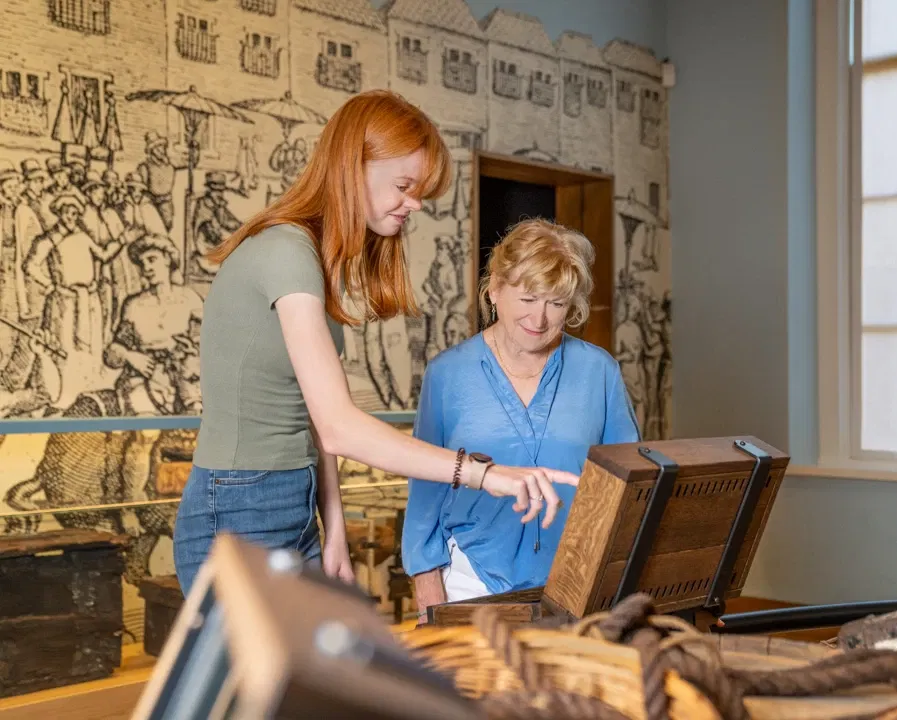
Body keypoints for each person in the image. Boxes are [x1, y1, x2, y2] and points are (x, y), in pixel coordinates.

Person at [172, 91, 579, 596]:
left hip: (288, 499)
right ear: (352, 167)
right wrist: (484, 475)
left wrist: (334, 532)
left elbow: (317, 425)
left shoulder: (311, 260)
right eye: (404, 187)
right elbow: (340, 427)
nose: (415, 205)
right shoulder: (285, 252)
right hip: (238, 506)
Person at [402, 218, 641, 621]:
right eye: (528, 298)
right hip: (470, 581)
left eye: (556, 303)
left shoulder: (598, 371)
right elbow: (425, 491)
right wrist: (427, 588)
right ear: (495, 288)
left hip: (578, 583)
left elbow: (627, 487)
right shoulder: (447, 374)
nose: (539, 318)